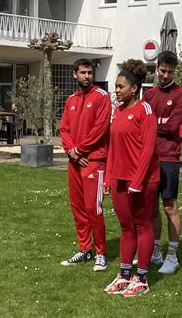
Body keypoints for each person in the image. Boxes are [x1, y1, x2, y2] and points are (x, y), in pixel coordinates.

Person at [103, 59, 160, 296]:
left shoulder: (144, 110)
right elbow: (113, 148)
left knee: (142, 226)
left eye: (120, 87)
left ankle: (142, 278)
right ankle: (125, 274)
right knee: (126, 228)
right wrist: (108, 179)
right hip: (119, 179)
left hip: (144, 181)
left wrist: (138, 181)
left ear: (134, 88)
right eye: (115, 86)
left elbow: (148, 150)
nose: (116, 90)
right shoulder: (117, 112)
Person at [59, 58, 111, 271]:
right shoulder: (71, 100)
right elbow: (64, 129)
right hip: (74, 161)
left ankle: (101, 253)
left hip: (93, 160)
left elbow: (100, 129)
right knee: (78, 207)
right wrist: (71, 151)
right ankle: (84, 248)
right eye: (83, 72)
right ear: (75, 74)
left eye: (90, 72)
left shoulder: (101, 96)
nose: (87, 76)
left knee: (93, 208)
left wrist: (79, 150)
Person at [143, 50, 182, 274]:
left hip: (169, 158)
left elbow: (173, 127)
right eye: (162, 70)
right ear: (156, 68)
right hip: (149, 158)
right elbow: (142, 123)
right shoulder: (149, 95)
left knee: (169, 206)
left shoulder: (181, 94)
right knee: (151, 208)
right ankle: (156, 251)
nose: (165, 75)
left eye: (170, 71)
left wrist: (152, 123)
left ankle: (173, 255)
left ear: (175, 71)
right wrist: (156, 122)